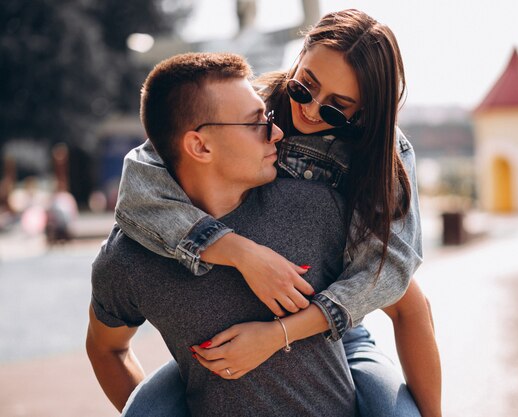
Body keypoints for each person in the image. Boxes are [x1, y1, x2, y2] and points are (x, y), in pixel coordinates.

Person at [116, 9, 441, 417]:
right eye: (304, 87)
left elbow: (390, 273)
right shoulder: (246, 106)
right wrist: (238, 252)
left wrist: (277, 334)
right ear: (299, 56)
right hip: (219, 331)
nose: (308, 110)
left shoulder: (384, 154)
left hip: (336, 333)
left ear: (366, 113)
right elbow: (139, 182)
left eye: (336, 109)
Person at [87, 52, 358, 416]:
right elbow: (106, 349)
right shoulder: (128, 258)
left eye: (270, 117)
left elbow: (399, 299)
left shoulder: (318, 208)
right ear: (200, 146)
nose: (277, 133)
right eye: (256, 123)